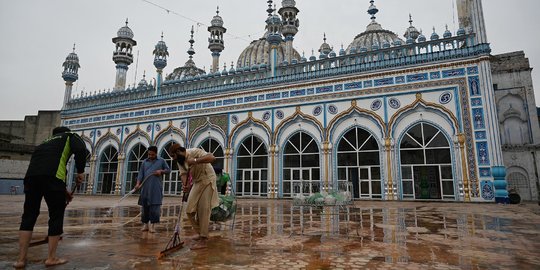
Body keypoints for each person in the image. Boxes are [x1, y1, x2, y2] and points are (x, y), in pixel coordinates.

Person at [14, 126, 89, 268]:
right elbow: (81, 150)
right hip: (53, 178)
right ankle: (51, 258)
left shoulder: (45, 142)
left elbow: (49, 165)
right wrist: (80, 172)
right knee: (56, 215)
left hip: (31, 177)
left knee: (29, 216)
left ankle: (20, 260)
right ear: (66, 131)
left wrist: (64, 192)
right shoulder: (70, 135)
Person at [170, 143, 219, 250]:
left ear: (178, 152)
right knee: (189, 210)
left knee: (203, 209)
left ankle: (203, 239)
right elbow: (183, 174)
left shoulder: (194, 152)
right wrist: (186, 186)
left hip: (208, 179)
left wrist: (195, 161)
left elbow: (212, 157)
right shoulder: (180, 161)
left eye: (173, 156)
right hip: (197, 182)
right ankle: (201, 232)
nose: (173, 159)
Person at [134, 146, 170, 233]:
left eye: (152, 154)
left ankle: (152, 226)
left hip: (156, 187)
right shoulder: (144, 162)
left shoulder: (161, 161)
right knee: (145, 207)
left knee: (155, 207)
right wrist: (138, 184)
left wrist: (161, 171)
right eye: (149, 154)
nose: (150, 156)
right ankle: (145, 225)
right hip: (145, 188)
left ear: (156, 153)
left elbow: (168, 170)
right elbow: (140, 174)